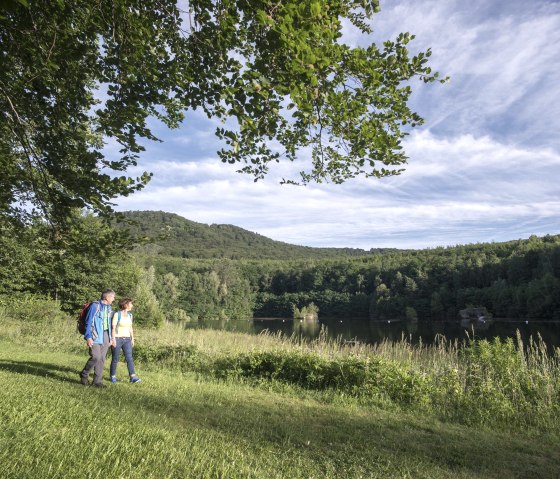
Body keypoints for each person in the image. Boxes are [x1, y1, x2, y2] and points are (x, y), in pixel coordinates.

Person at [79, 289, 115, 387]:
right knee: (96, 357)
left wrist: (111, 338)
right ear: (107, 297)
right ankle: (84, 374)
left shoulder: (109, 308)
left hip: (106, 335)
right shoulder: (95, 306)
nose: (114, 299)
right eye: (112, 297)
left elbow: (110, 324)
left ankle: (97, 381)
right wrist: (88, 337)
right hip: (94, 335)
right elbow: (88, 322)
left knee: (102, 358)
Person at [109, 297, 141, 384]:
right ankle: (112, 376)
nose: (132, 305)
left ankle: (133, 377)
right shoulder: (117, 314)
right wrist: (113, 340)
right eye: (131, 303)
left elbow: (130, 327)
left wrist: (132, 338)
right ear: (126, 304)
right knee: (115, 358)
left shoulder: (130, 315)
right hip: (117, 339)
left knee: (129, 358)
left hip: (127, 339)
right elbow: (113, 328)